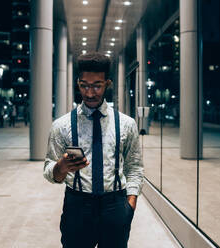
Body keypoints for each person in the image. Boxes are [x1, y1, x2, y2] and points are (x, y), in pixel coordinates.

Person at [43, 52, 144, 248]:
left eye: (97, 85)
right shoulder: (61, 125)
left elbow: (135, 167)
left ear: (108, 83)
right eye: (84, 85)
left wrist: (129, 205)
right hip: (77, 206)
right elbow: (49, 171)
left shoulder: (126, 124)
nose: (90, 93)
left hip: (115, 205)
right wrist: (61, 168)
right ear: (78, 83)